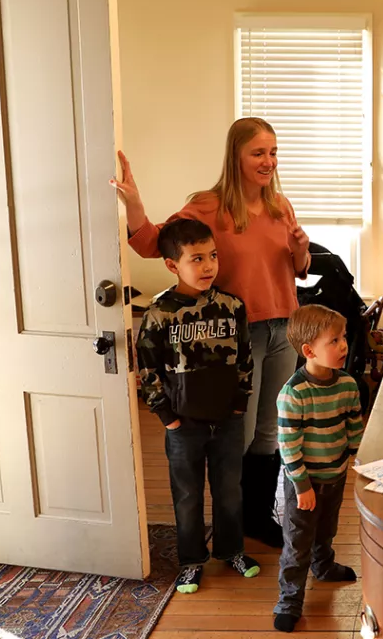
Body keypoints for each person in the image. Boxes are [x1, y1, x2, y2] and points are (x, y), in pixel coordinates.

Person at [113, 117, 310, 548]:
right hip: (239, 335)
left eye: (273, 152)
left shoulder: (281, 206)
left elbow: (297, 269)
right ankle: (231, 519)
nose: (268, 161)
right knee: (237, 433)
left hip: (285, 328)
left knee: (270, 431)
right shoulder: (208, 206)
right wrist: (133, 202)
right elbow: (152, 243)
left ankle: (258, 517)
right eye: (258, 153)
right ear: (236, 156)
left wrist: (300, 250)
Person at [136, 218, 261, 594]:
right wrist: (167, 417)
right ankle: (191, 561)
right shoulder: (160, 313)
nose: (208, 266)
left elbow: (244, 358)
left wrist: (240, 404)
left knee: (229, 490)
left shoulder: (231, 306)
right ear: (173, 265)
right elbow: (146, 369)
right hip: (183, 425)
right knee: (188, 495)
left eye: (212, 256)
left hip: (227, 420)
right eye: (196, 259)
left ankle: (231, 550)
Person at [273, 305, 364, 633]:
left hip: (335, 474)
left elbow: (353, 427)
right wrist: (302, 487)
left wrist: (358, 460)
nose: (344, 346)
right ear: (309, 351)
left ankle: (323, 567)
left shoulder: (348, 385)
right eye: (334, 340)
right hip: (304, 481)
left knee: (326, 528)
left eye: (344, 338)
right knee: (298, 541)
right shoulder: (294, 394)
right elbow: (288, 446)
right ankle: (290, 598)